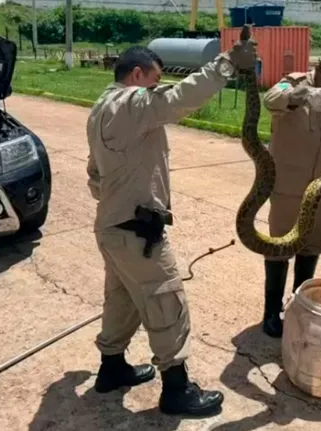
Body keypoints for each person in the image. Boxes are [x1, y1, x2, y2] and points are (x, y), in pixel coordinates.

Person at [85, 39, 257, 416]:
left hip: (114, 228)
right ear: (136, 75)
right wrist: (226, 64)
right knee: (166, 302)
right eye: (154, 80)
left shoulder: (100, 109)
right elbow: (177, 99)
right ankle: (176, 390)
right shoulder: (130, 103)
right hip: (137, 232)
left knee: (123, 300)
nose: (157, 88)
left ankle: (111, 368)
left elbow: (94, 175)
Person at [258, 48, 321, 338]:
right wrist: (302, 95)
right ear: (320, 69)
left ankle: (299, 307)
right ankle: (271, 312)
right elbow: (270, 99)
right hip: (287, 186)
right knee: (280, 247)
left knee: (311, 247)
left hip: (320, 189)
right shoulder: (294, 82)